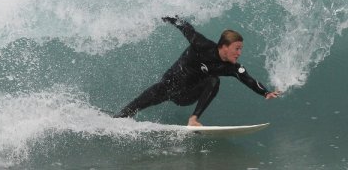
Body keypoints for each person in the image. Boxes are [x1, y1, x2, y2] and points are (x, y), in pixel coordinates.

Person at [114, 16, 280, 126]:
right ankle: (116, 121)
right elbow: (186, 27)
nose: (239, 53)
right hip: (168, 85)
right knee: (129, 110)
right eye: (236, 49)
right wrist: (165, 16)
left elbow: (249, 79)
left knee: (214, 80)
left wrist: (265, 93)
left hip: (186, 95)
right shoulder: (202, 45)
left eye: (240, 49)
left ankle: (193, 119)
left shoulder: (232, 68)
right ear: (223, 46)